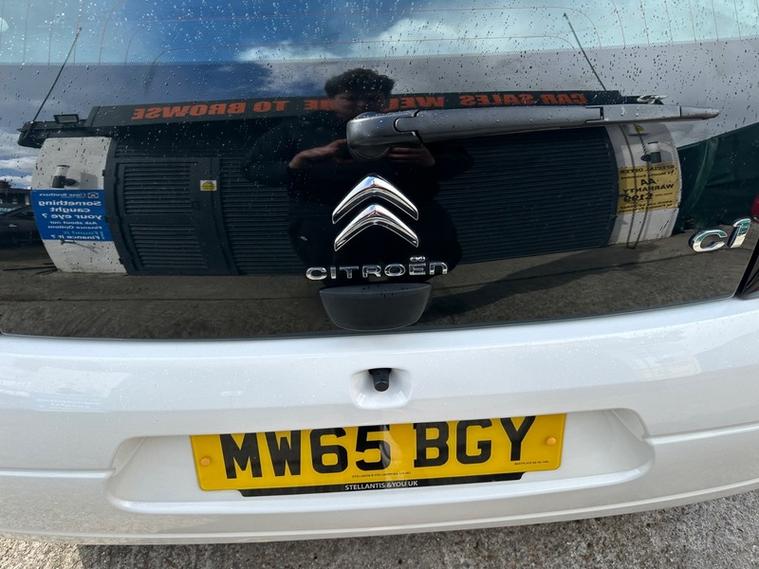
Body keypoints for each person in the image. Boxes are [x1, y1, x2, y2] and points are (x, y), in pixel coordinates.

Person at [244, 68, 469, 272]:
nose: (362, 105)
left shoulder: (410, 125)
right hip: (325, 221)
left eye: (371, 98)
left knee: (417, 276)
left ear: (385, 100)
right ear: (332, 100)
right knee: (339, 282)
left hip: (410, 216)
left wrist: (431, 161)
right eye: (350, 98)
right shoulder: (299, 129)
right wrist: (295, 164)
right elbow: (252, 168)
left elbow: (462, 160)